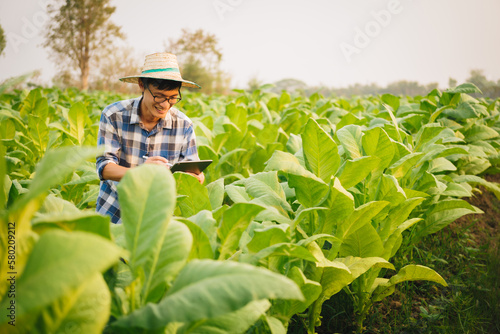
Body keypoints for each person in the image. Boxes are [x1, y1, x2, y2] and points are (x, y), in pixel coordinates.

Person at [96, 52, 204, 224]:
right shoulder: (114, 115)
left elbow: (192, 170)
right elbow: (104, 168)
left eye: (173, 98)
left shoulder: (184, 125)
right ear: (141, 85)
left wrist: (194, 177)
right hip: (115, 213)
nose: (165, 104)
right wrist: (142, 172)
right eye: (159, 96)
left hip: (158, 219)